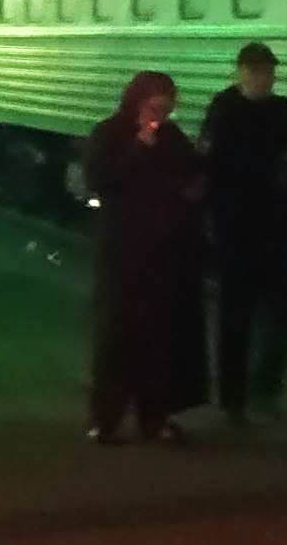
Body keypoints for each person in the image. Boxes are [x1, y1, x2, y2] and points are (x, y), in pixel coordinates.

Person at [81, 71, 209, 444]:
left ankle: (154, 417)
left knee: (158, 337)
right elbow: (100, 179)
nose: (161, 113)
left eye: (167, 106)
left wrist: (195, 186)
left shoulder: (172, 137)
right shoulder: (109, 133)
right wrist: (138, 147)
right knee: (116, 334)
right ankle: (105, 418)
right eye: (155, 105)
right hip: (122, 250)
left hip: (163, 251)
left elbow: (191, 174)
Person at [200, 42, 287, 426]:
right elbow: (211, 165)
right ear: (241, 72)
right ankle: (232, 396)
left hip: (278, 227)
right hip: (236, 227)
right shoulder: (223, 110)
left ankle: (266, 388)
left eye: (268, 72)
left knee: (282, 315)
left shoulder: (286, 111)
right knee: (236, 314)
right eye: (257, 71)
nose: (264, 78)